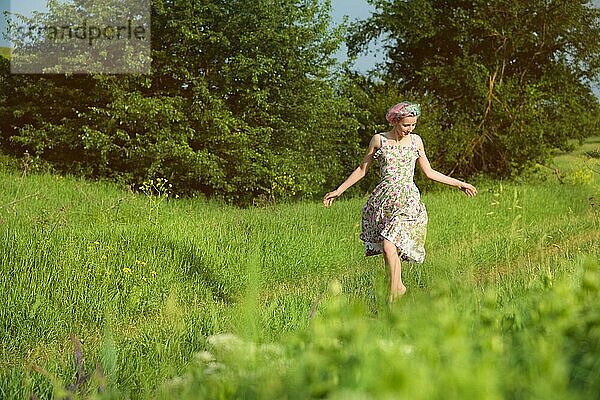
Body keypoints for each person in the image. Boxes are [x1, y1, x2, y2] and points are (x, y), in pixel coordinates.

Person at [323, 102, 477, 302]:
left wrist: (459, 183)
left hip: (407, 201)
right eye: (406, 125)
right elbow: (362, 170)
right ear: (395, 121)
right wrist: (338, 190)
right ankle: (394, 294)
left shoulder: (416, 142)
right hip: (384, 202)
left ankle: (397, 290)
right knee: (389, 252)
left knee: (389, 246)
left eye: (413, 125)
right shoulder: (379, 140)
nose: (410, 129)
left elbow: (429, 172)